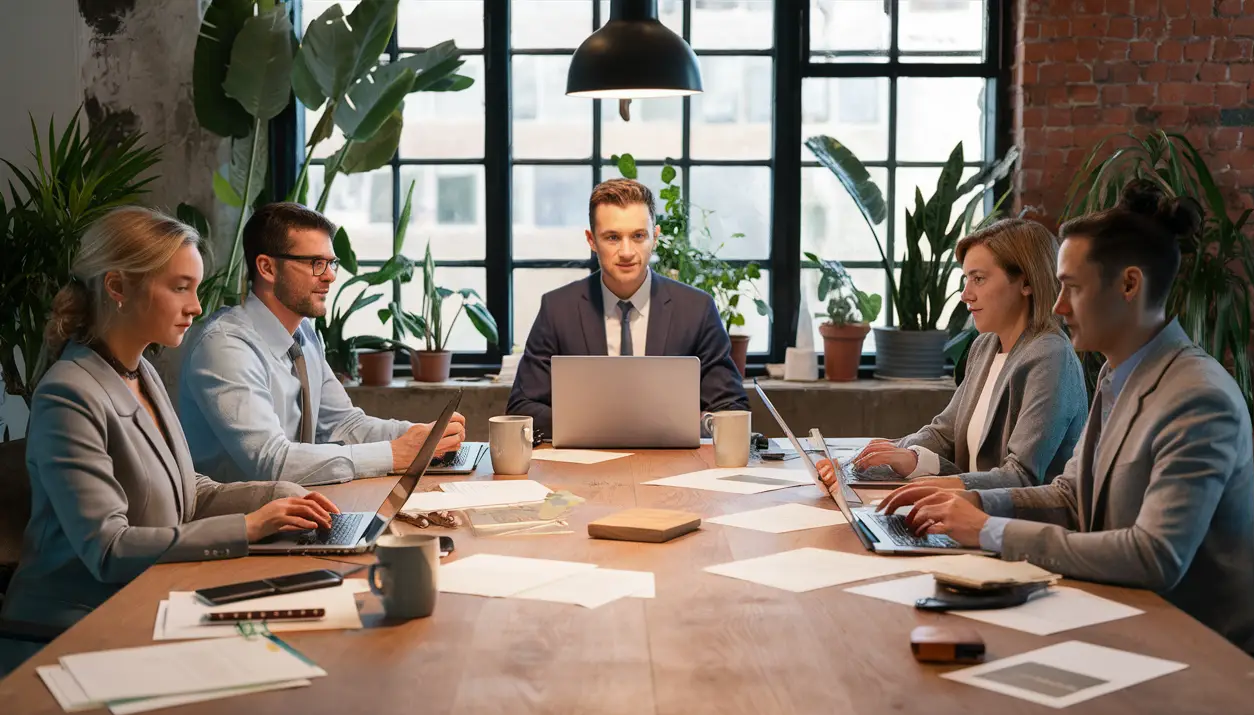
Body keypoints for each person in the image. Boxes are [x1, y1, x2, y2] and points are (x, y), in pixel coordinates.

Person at [881, 181, 1254, 647]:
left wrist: (989, 530)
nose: (1058, 307)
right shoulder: (1115, 375)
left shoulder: (1198, 398)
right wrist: (978, 504)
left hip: (1190, 648)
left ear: (1129, 285)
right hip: (1113, 614)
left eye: (1072, 288)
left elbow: (1155, 556)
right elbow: (1070, 495)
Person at [1, 207, 339, 633]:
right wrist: (250, 526)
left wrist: (280, 495)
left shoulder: (141, 372)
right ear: (118, 286)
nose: (196, 306)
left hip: (152, 600)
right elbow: (109, 548)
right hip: (71, 628)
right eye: (181, 288)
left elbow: (186, 490)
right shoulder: (67, 394)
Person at [179, 203, 465, 486]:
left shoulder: (303, 334)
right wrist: (394, 454)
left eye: (331, 263)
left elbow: (343, 425)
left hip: (299, 511)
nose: (329, 276)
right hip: (242, 524)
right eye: (315, 263)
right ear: (267, 268)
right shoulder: (225, 347)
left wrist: (419, 436)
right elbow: (272, 463)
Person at [817, 219, 1087, 491]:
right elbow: (943, 434)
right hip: (969, 517)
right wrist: (859, 462)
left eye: (978, 279)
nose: (965, 295)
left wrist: (925, 484)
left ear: (1026, 282)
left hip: (1019, 528)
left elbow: (1021, 477)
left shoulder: (1051, 356)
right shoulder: (986, 347)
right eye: (966, 279)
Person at [506, 178, 749, 436]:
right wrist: (604, 425)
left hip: (674, 466)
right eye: (612, 237)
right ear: (591, 240)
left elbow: (730, 408)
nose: (626, 251)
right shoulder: (557, 309)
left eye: (638, 236)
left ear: (654, 237)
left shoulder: (696, 309)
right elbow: (521, 409)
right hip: (582, 466)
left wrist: (693, 424)